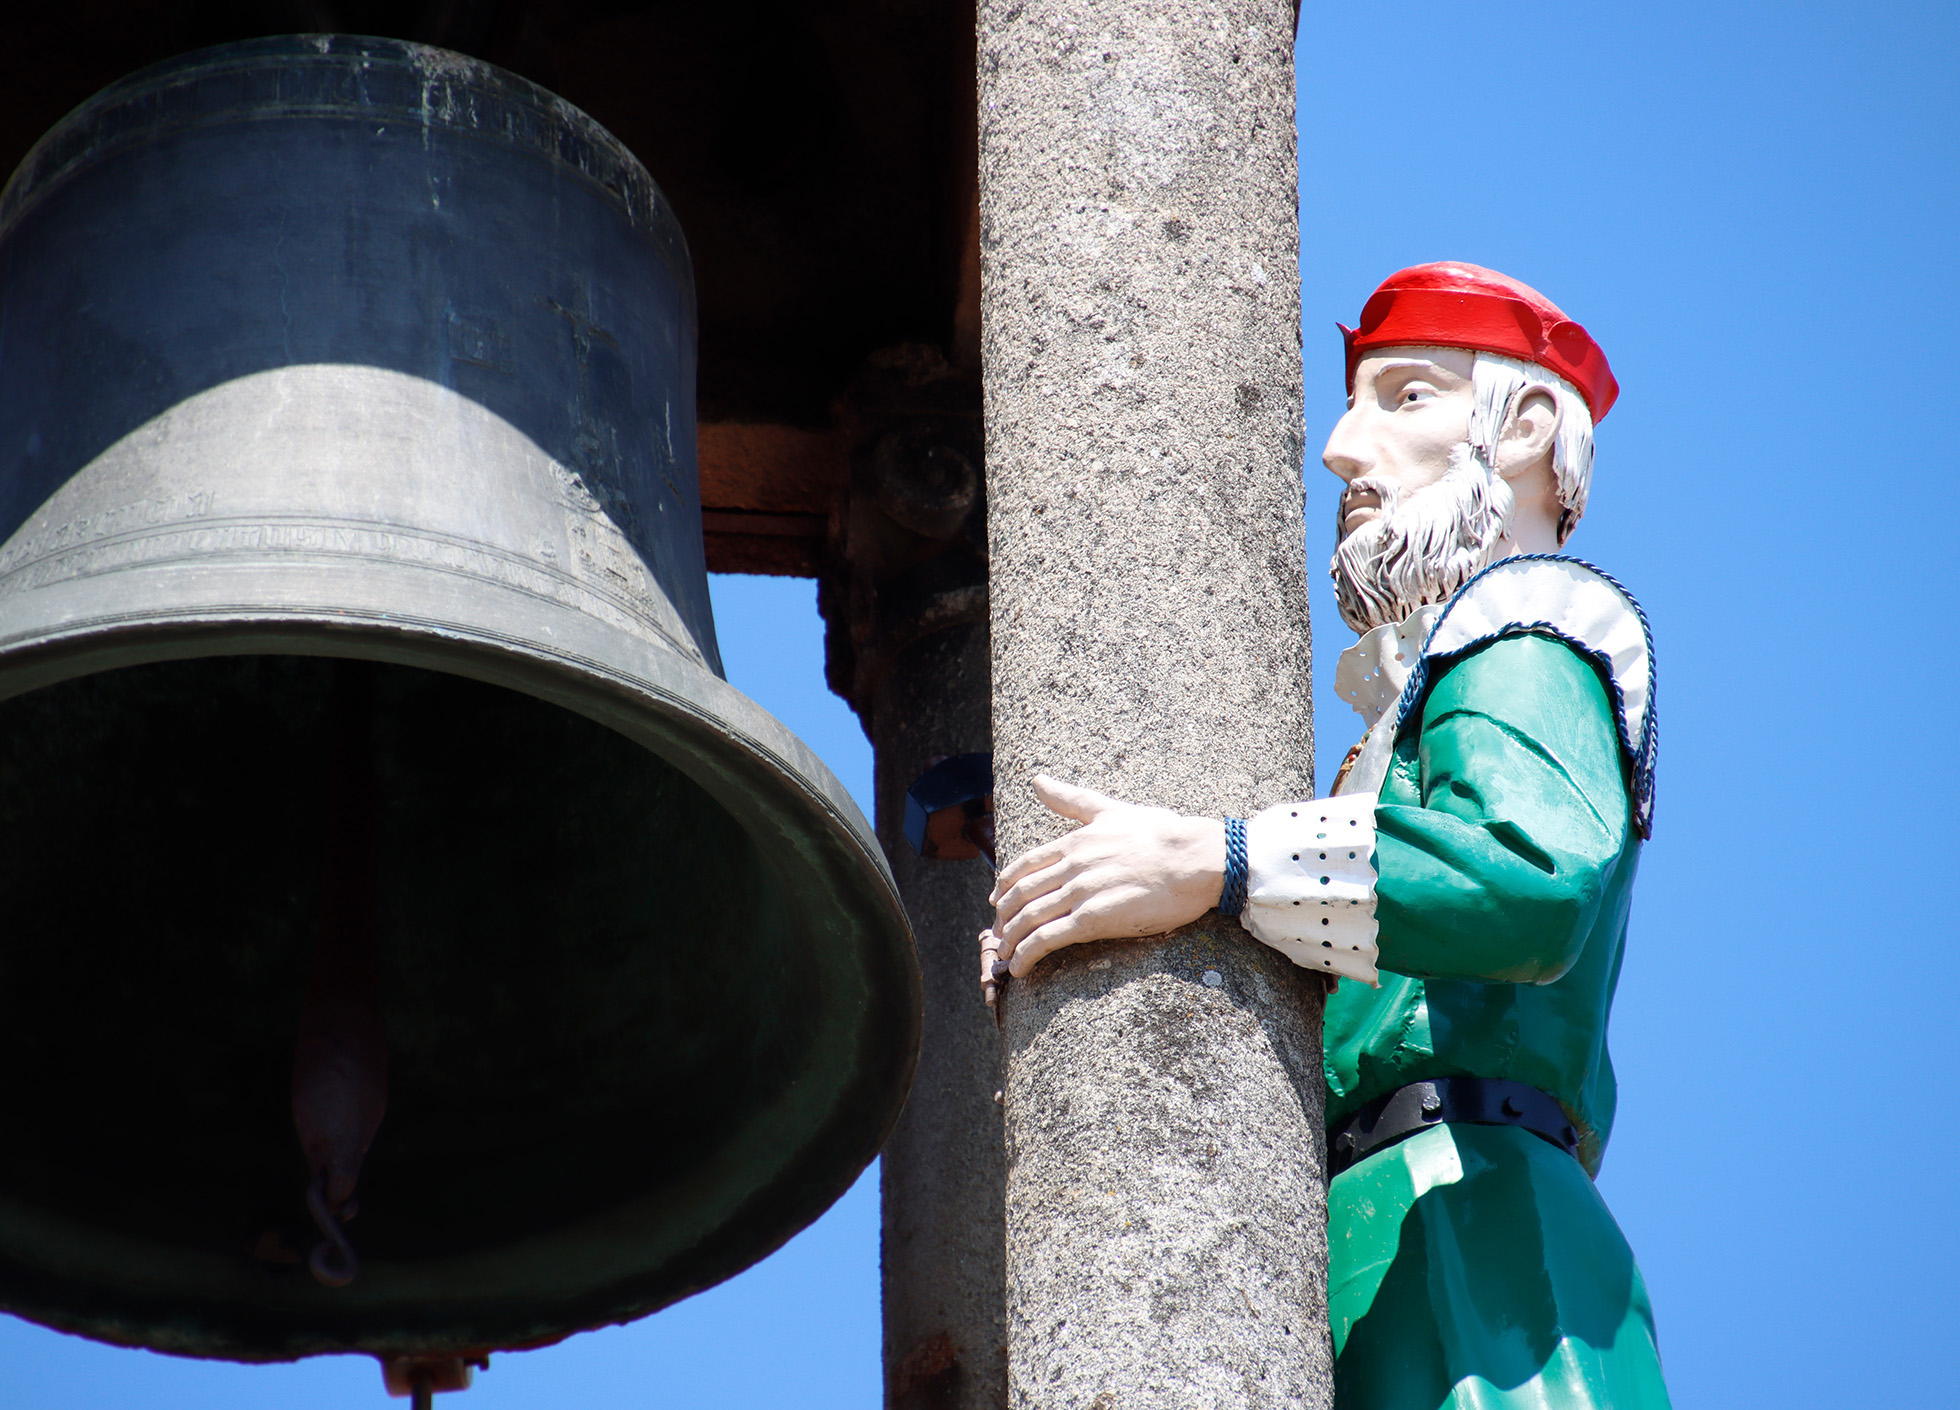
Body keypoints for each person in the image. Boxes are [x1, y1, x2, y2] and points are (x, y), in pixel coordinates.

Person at [981, 262, 1671, 1409]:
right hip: (1365, 1234)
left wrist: (1223, 861)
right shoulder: (1391, 733)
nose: (1343, 451)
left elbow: (1532, 879)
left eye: (1404, 397)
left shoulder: (1528, 627)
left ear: (1527, 427)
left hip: (1474, 1226)